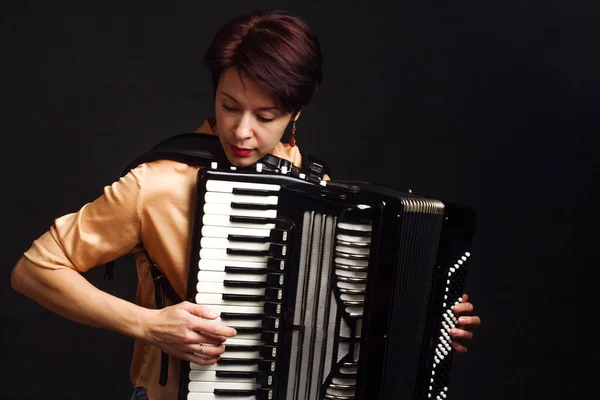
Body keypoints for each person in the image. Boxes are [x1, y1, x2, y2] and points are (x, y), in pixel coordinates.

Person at [10, 9, 482, 400]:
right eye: (229, 105)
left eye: (267, 115)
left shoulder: (313, 185)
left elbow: (341, 310)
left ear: (296, 111)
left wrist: (428, 325)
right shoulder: (155, 184)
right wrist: (149, 324)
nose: (241, 131)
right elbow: (33, 270)